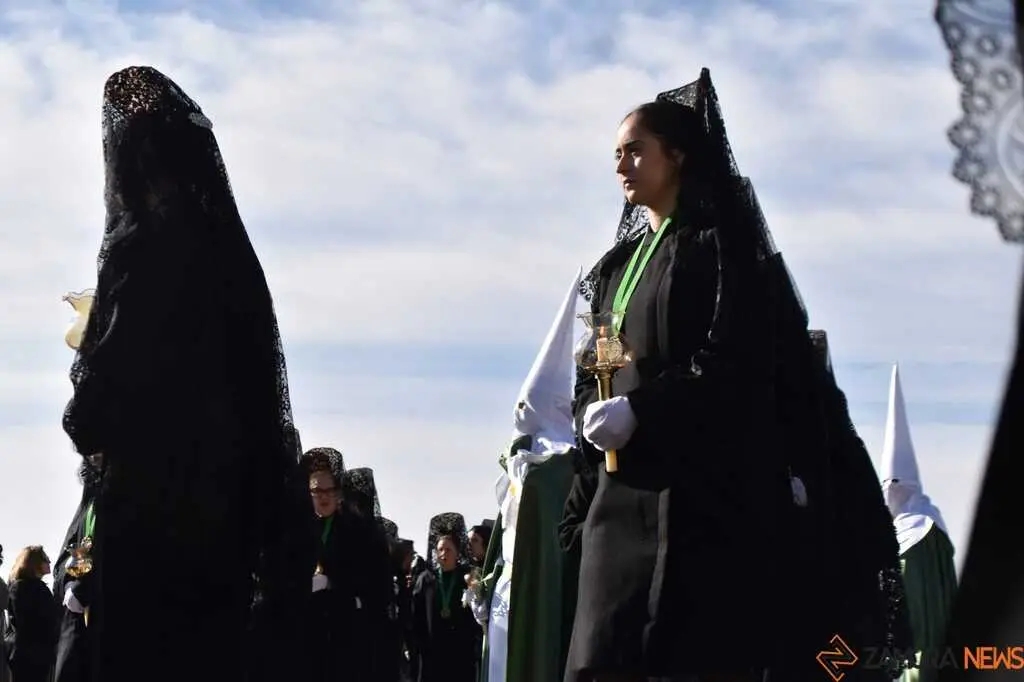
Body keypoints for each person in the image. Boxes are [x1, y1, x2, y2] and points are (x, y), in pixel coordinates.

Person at [566, 68, 910, 682]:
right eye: (616, 153)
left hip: (700, 499)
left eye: (636, 149)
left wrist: (645, 410)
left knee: (689, 653)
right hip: (619, 503)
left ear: (676, 155)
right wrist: (590, 410)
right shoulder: (613, 269)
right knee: (604, 654)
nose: (622, 165)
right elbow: (596, 360)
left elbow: (736, 355)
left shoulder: (718, 247)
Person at [59, 66, 310, 682]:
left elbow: (88, 419)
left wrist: (87, 352)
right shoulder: (236, 264)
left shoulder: (135, 253)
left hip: (142, 546)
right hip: (223, 550)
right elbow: (267, 417)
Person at [302, 447, 396, 682]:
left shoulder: (357, 530)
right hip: (306, 631)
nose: (323, 496)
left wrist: (333, 582)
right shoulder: (299, 529)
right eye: (316, 490)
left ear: (338, 492)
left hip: (345, 632)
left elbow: (372, 582)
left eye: (329, 490)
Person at [52, 452, 104, 682]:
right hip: (81, 634)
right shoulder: (90, 498)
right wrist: (71, 579)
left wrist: (88, 587)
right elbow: (62, 562)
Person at [409, 513, 478, 682]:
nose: (443, 554)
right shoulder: (425, 579)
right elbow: (416, 616)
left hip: (460, 656)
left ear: (457, 552)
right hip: (432, 656)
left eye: (448, 549)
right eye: (440, 549)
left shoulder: (466, 577)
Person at [6, 546, 58, 682]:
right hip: (33, 657)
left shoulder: (17, 587)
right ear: (35, 563)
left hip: (26, 655)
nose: (50, 562)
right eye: (46, 559)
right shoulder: (34, 589)